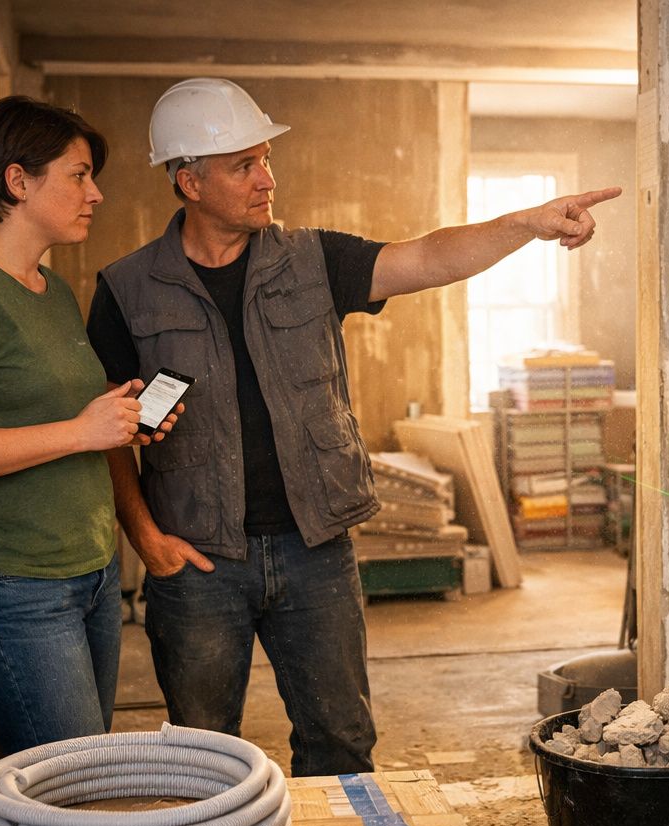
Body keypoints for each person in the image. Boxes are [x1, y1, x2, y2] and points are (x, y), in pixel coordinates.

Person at [87, 77, 619, 776]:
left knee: (340, 743)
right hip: (199, 562)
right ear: (189, 179)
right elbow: (109, 434)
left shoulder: (311, 260)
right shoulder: (127, 289)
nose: (267, 178)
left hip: (317, 550)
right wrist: (145, 537)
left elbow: (427, 256)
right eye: (245, 164)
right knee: (202, 754)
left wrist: (526, 223)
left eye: (266, 159)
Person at [0, 95, 179, 757]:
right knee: (73, 782)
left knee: (75, 773)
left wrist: (118, 420)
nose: (97, 193)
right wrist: (82, 432)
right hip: (12, 584)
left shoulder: (49, 288)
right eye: (79, 175)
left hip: (90, 568)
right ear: (18, 181)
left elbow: (54, 415)